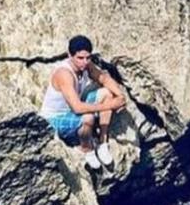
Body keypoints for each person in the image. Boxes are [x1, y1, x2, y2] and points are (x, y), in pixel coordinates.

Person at [40, 35, 127, 169]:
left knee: (107, 93)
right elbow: (77, 108)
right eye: (80, 58)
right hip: (54, 119)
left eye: (88, 58)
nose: (85, 62)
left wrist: (120, 96)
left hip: (73, 108)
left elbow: (103, 78)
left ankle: (102, 142)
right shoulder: (64, 74)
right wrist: (111, 105)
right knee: (88, 118)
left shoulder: (86, 65)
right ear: (70, 55)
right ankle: (86, 149)